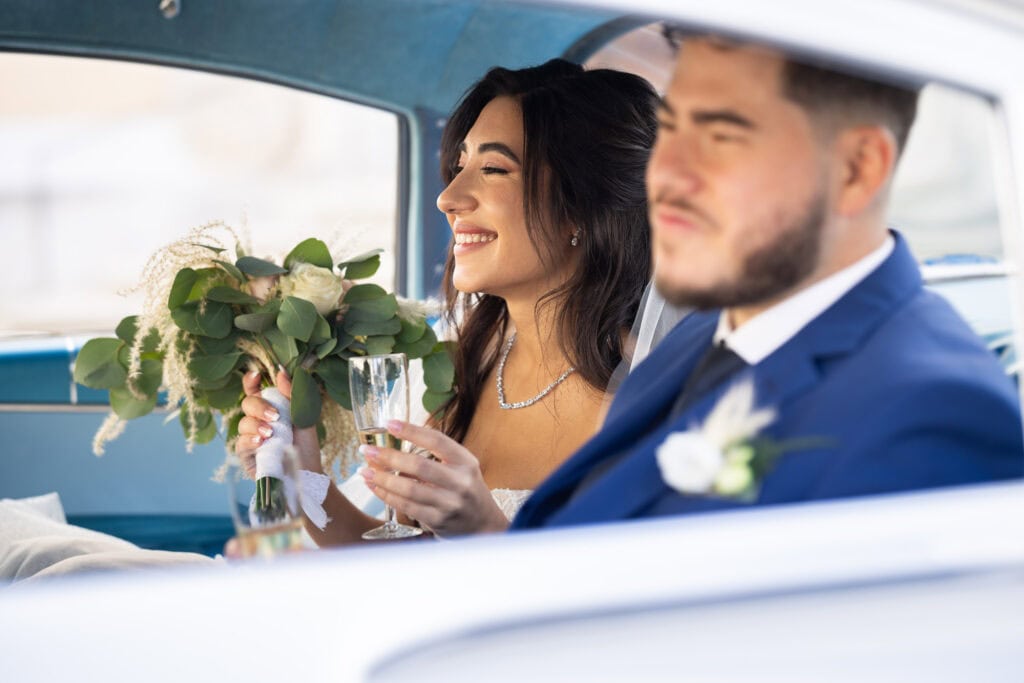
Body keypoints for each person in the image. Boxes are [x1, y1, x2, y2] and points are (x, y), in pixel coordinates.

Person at [511, 34, 1024, 529]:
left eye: (721, 137)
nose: (665, 175)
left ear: (856, 170)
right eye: (670, 129)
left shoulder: (933, 419)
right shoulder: (703, 331)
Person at [237, 59, 659, 542]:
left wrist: (486, 532)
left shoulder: (646, 396)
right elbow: (403, 558)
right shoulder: (467, 359)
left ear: (582, 207)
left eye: (493, 168)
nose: (448, 198)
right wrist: (300, 470)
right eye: (459, 167)